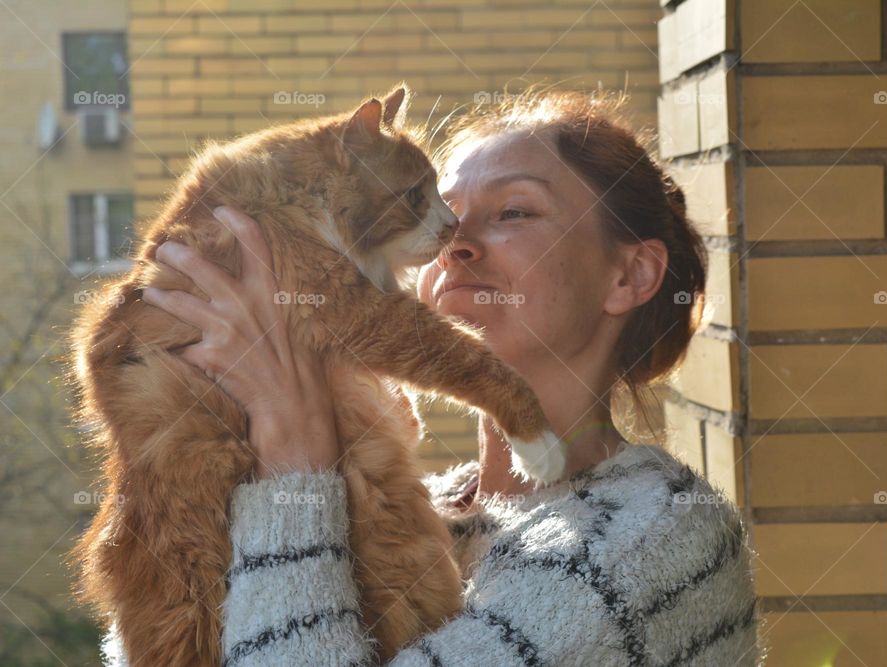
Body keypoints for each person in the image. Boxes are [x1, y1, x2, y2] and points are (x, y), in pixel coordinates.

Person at [105, 89, 763, 665]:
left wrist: (296, 463)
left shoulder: (662, 537)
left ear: (629, 276)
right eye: (437, 209)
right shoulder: (431, 504)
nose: (454, 241)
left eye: (514, 212)